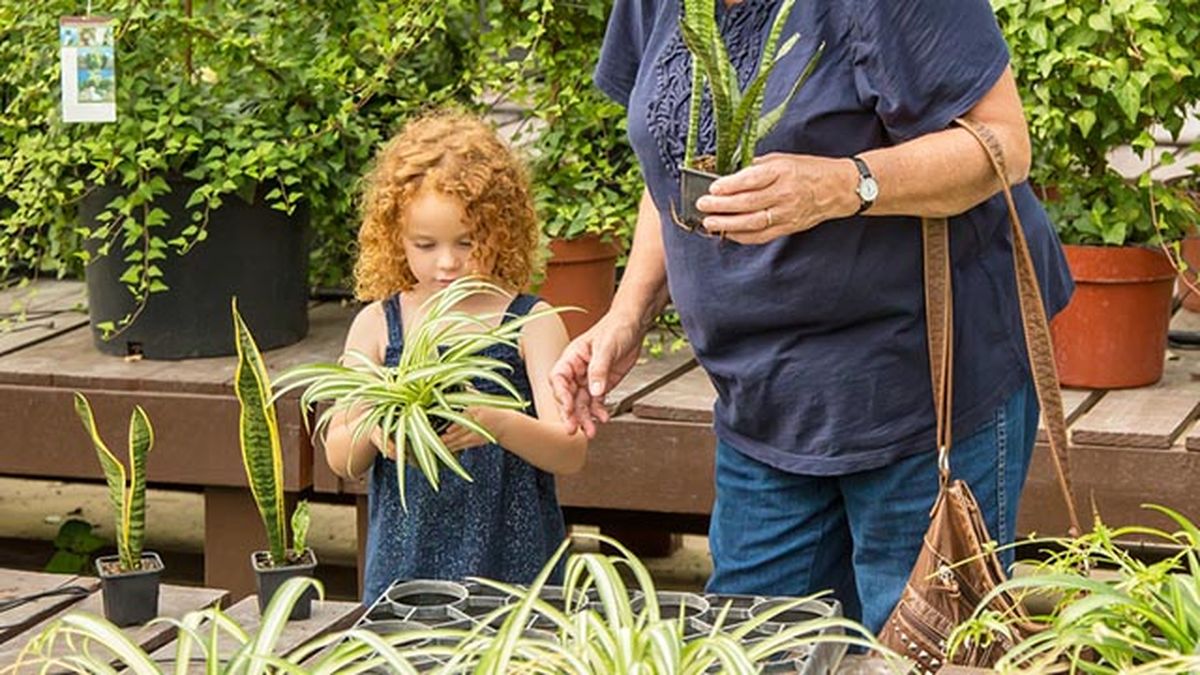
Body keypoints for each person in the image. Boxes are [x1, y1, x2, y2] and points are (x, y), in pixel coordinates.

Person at [550, 0, 1074, 633]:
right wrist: (627, 312)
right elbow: (670, 165)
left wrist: (844, 185)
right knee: (750, 645)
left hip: (924, 388)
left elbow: (1004, 144)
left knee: (922, 647)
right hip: (763, 398)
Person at [327, 110, 587, 604]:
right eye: (424, 245)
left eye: (467, 243)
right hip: (406, 574)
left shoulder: (529, 322)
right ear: (393, 238)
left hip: (514, 571)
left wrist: (498, 424)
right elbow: (341, 457)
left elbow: (570, 452)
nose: (447, 263)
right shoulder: (380, 325)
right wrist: (379, 434)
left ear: (500, 232)